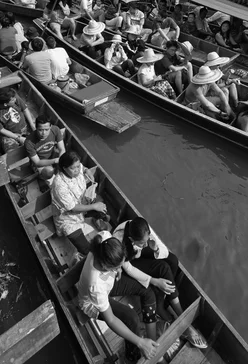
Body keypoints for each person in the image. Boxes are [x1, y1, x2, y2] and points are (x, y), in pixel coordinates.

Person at [113, 218, 207, 347]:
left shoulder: (145, 231)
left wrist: (155, 248)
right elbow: (129, 269)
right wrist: (155, 281)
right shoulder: (118, 240)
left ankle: (164, 303)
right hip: (129, 263)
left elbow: (165, 251)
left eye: (146, 241)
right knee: (163, 268)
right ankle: (184, 322)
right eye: (142, 243)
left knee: (172, 261)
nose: (145, 245)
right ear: (131, 239)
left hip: (138, 254)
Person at [77, 231, 159, 362]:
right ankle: (132, 356)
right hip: (92, 304)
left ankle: (153, 342)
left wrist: (118, 268)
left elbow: (104, 234)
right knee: (132, 318)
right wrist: (140, 342)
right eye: (116, 267)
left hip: (108, 284)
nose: (120, 268)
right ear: (105, 266)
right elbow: (111, 320)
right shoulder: (95, 285)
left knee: (146, 290)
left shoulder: (104, 239)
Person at [51, 152, 109, 255]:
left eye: (78, 166)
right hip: (68, 219)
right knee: (86, 250)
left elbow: (83, 167)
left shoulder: (77, 167)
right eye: (73, 168)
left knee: (103, 208)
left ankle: (97, 219)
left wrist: (87, 171)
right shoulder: (59, 184)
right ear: (64, 168)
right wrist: (94, 206)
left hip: (83, 204)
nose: (77, 170)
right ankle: (95, 219)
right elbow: (73, 208)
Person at [0, 87, 36, 153]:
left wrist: (32, 124)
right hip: (11, 134)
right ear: (5, 104)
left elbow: (25, 109)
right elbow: (1, 130)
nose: (15, 99)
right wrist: (18, 138)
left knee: (41, 132)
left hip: (25, 126)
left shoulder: (13, 97)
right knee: (11, 153)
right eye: (12, 100)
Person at [24, 114, 66, 182]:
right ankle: (41, 179)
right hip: (40, 163)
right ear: (36, 128)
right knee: (49, 172)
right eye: (40, 130)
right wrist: (55, 161)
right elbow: (37, 162)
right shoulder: (29, 142)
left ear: (50, 127)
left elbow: (62, 149)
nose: (43, 133)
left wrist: (60, 160)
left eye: (46, 129)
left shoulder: (55, 130)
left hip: (52, 156)